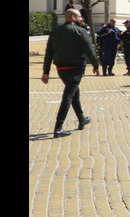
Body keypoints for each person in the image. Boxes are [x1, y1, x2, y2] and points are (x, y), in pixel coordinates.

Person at [42, 9, 100, 137]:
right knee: (68, 95)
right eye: (79, 16)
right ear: (73, 17)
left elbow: (49, 53)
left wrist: (46, 71)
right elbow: (89, 49)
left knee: (74, 93)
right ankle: (58, 127)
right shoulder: (80, 31)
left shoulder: (55, 32)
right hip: (76, 68)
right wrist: (96, 65)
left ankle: (82, 119)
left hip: (61, 69)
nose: (81, 18)